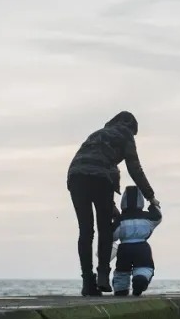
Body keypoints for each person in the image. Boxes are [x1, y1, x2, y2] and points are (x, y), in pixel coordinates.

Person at [67, 111, 159, 296]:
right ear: (131, 127)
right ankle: (102, 276)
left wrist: (112, 206)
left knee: (85, 230)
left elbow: (93, 162)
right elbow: (134, 168)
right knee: (104, 228)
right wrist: (150, 196)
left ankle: (87, 282)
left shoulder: (98, 134)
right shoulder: (125, 134)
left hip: (75, 175)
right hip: (101, 177)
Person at [111, 185, 163, 297]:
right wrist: (153, 205)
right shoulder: (147, 217)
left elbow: (112, 235)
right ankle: (140, 279)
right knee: (144, 267)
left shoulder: (120, 219)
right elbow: (158, 217)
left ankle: (120, 289)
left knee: (122, 271)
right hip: (142, 247)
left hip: (124, 248)